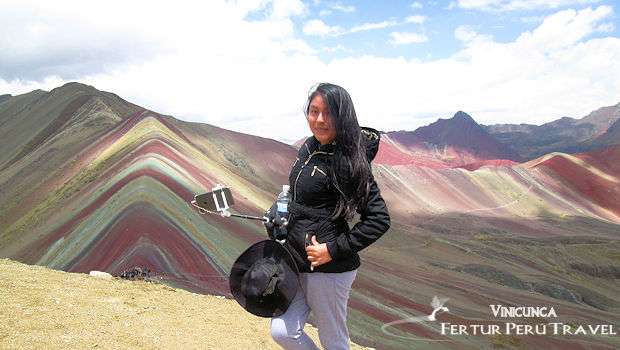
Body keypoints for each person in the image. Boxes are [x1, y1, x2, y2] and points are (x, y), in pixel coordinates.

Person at [264, 82, 390, 350]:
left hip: (329, 272)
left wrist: (332, 249)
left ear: (342, 116)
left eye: (328, 113)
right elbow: (297, 196)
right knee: (283, 331)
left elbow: (379, 219)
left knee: (334, 342)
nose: (319, 120)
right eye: (313, 111)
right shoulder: (308, 149)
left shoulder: (349, 161)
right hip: (297, 261)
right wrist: (278, 209)